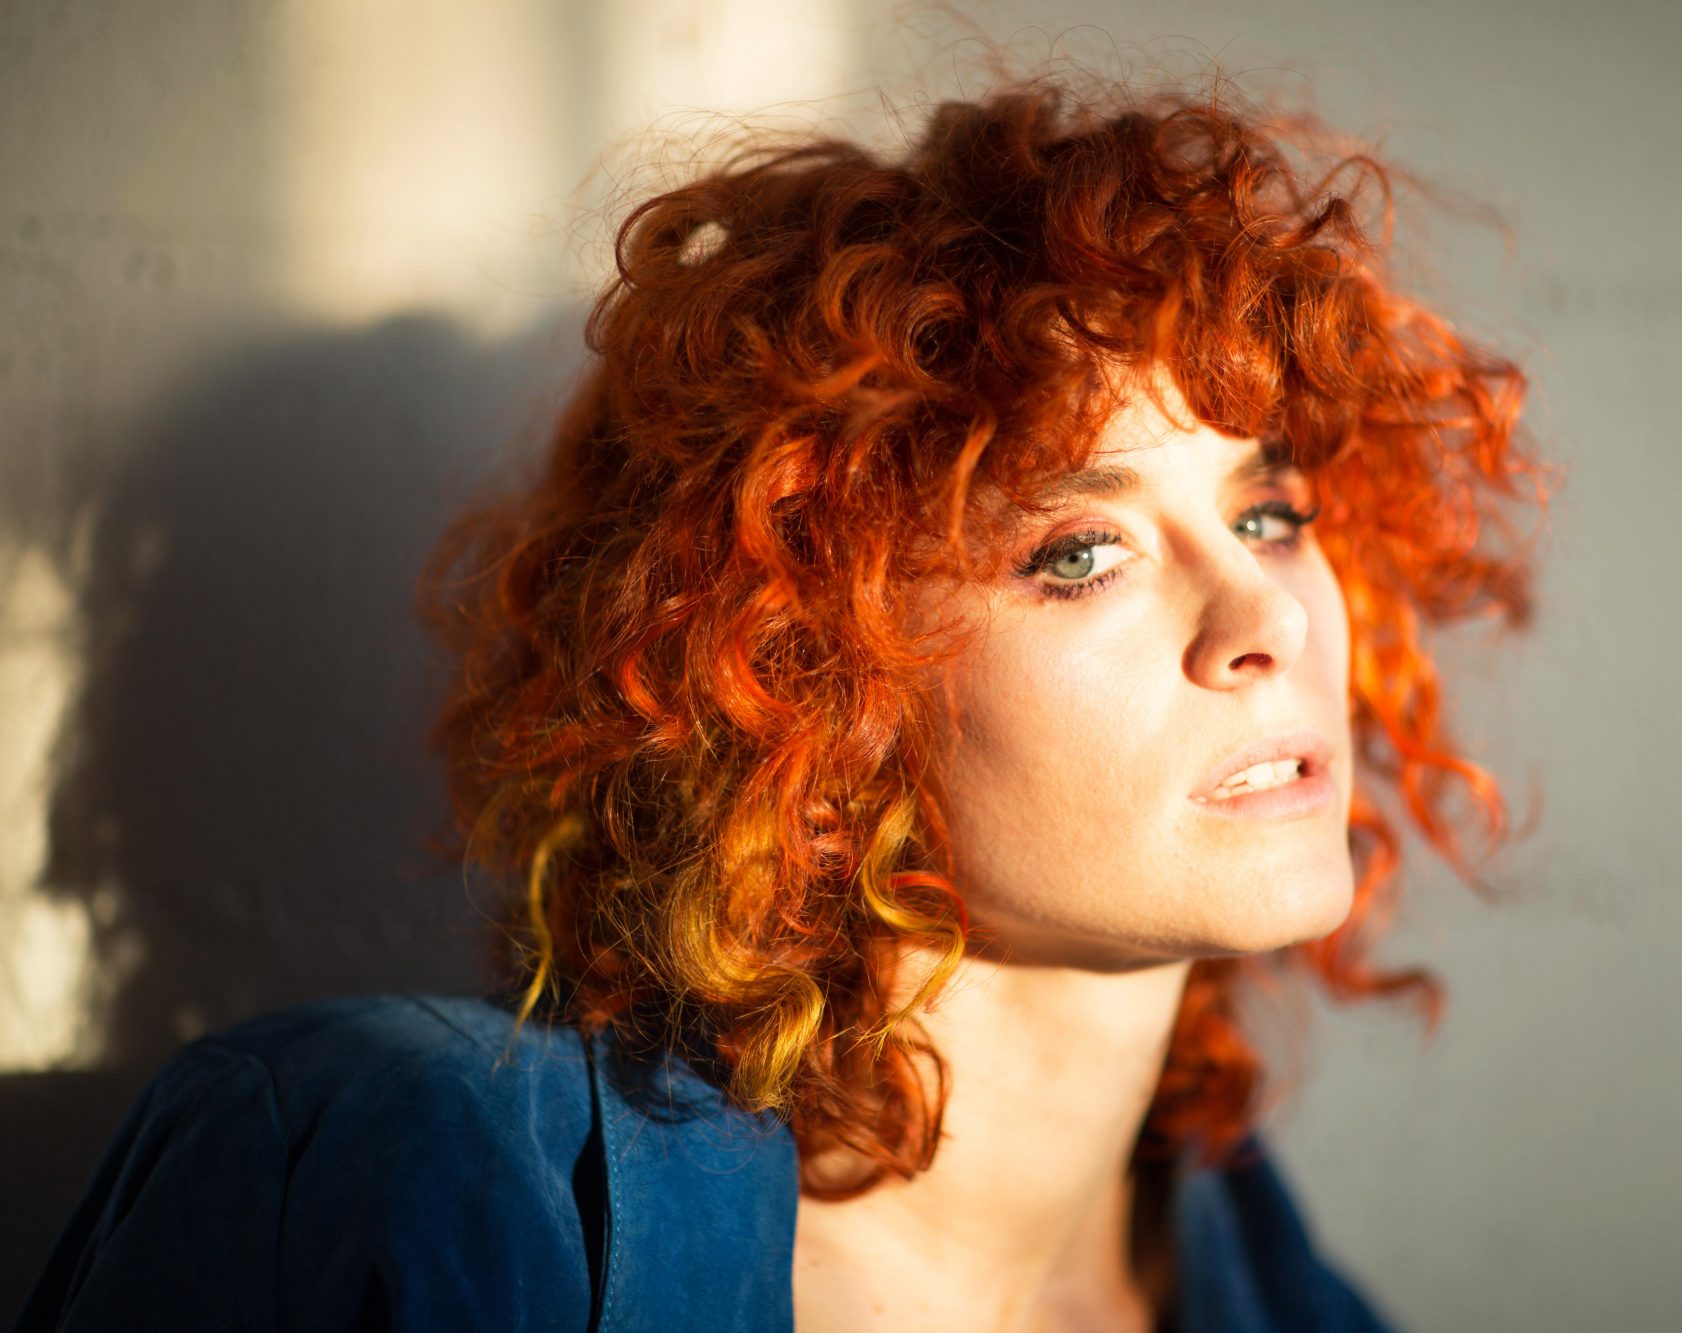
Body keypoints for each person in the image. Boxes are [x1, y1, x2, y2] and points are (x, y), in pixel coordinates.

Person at [12, 64, 1555, 1333]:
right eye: (1080, 551)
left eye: (1268, 514)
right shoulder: (414, 1184)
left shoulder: (1276, 1281)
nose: (1267, 616)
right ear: (816, 680)